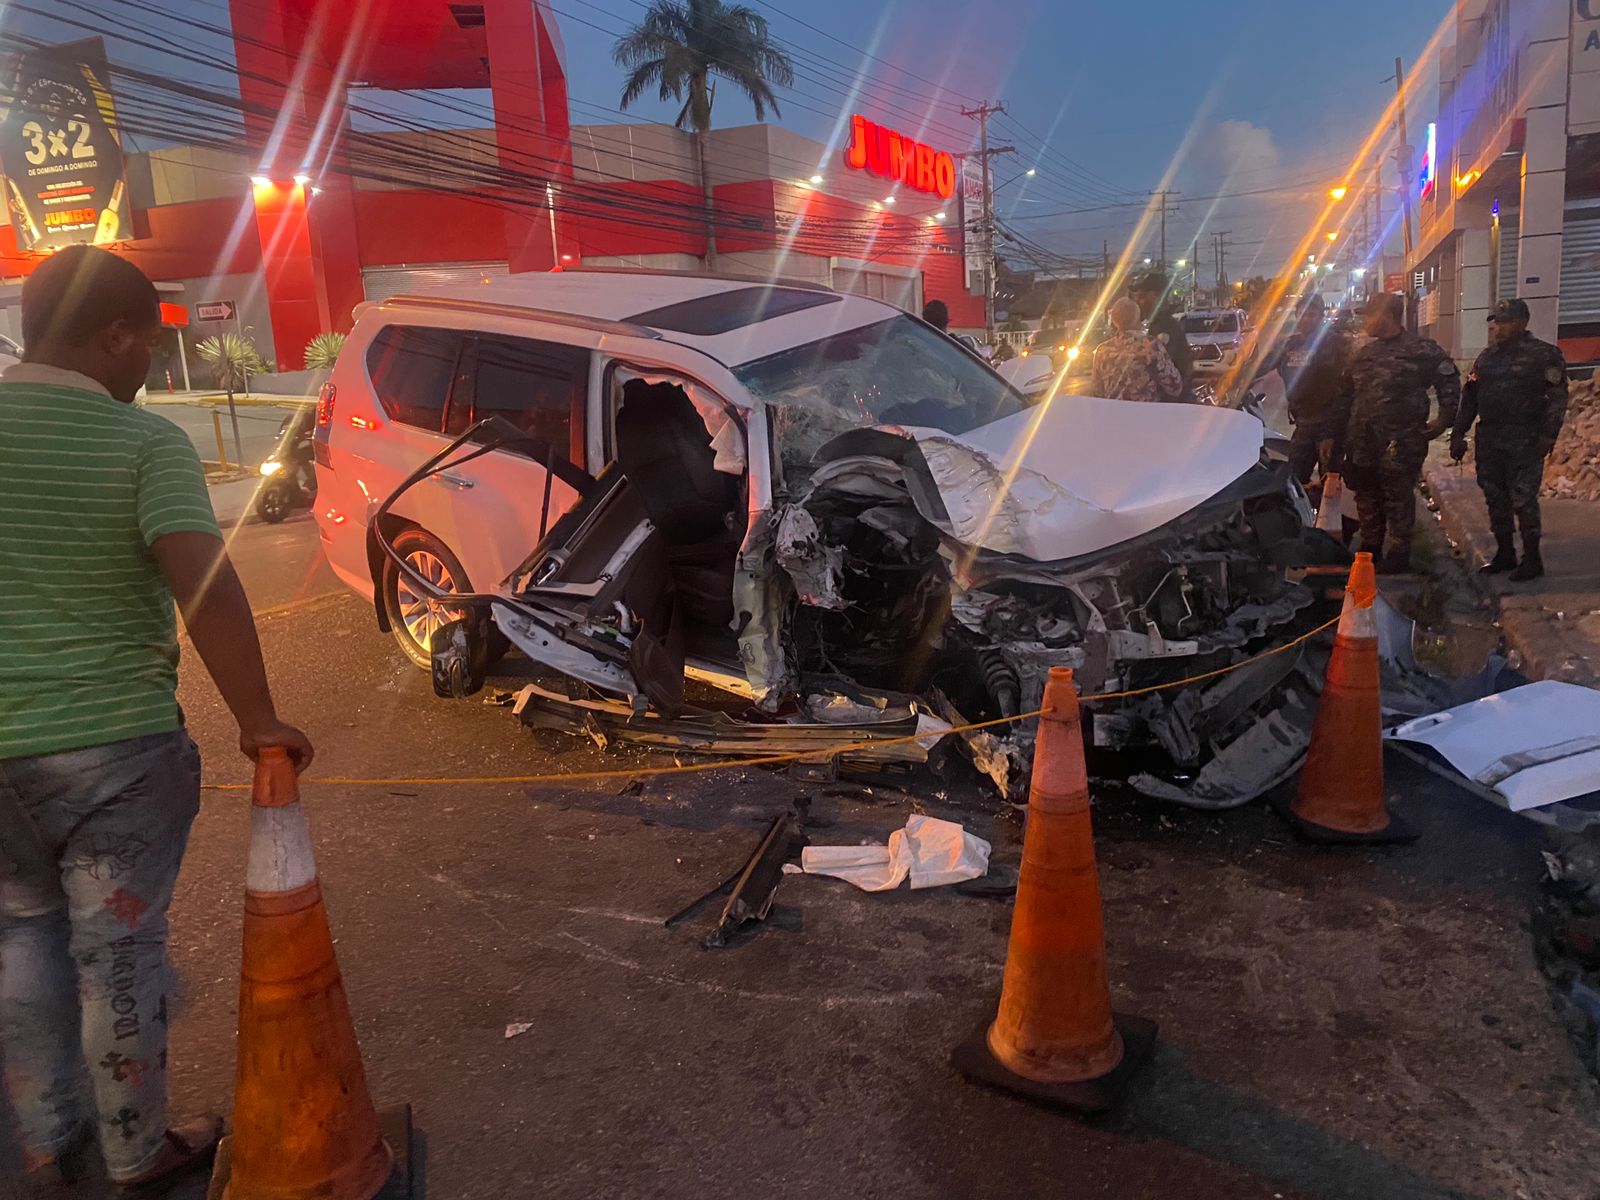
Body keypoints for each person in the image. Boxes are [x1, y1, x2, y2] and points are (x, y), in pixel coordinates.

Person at [0, 246, 313, 1193]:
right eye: (146, 346)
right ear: (116, 334)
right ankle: (136, 1150)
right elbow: (205, 589)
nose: (147, 368)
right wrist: (261, 720)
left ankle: (51, 1143)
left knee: (21, 934)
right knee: (117, 951)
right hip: (113, 752)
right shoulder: (138, 443)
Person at [1450, 297, 1568, 581]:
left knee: (1523, 499)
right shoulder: (1487, 358)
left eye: (1506, 322)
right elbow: (1470, 399)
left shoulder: (1545, 356)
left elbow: (1557, 398)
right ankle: (1505, 553)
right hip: (1490, 438)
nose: (1499, 328)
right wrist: (1458, 433)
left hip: (1525, 439)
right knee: (1495, 497)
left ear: (1523, 322)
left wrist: (1548, 435)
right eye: (1497, 322)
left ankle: (1532, 559)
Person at [1342, 292, 1460, 574]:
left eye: (1369, 315)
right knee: (1367, 493)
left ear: (1387, 316)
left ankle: (1399, 551)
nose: (1365, 321)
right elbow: (1345, 396)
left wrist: (1444, 419)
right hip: (1363, 439)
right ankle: (1371, 546)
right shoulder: (1364, 355)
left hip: (1401, 439)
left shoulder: (1422, 350)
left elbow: (1449, 381)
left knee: (1397, 495)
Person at [1259, 293, 1351, 485]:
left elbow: (1344, 391)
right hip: (1304, 425)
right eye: (1302, 314)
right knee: (1294, 481)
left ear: (1321, 317)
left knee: (1330, 485)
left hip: (1329, 425)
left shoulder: (1335, 344)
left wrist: (1331, 432)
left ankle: (1327, 515)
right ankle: (1308, 514)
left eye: (1312, 314)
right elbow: (1261, 368)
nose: (1306, 319)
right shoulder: (1289, 345)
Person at [1091, 297, 1185, 403]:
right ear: (1138, 318)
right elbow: (1175, 387)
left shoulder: (1102, 351)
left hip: (1114, 416)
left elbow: (1097, 393)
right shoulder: (1150, 347)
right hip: (1145, 416)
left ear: (1114, 321)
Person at [1130, 271, 1194, 396]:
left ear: (1155, 297)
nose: (1138, 301)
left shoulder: (1165, 327)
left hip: (1170, 407)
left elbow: (1158, 369)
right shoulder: (1160, 324)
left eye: (1142, 296)